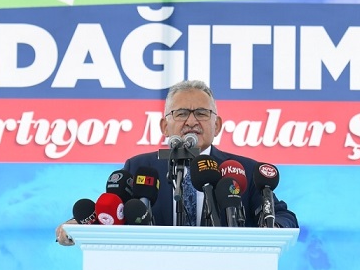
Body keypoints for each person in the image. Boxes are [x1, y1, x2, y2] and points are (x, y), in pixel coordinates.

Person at [56, 80, 296, 244]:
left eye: (201, 113)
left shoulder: (243, 170)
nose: (191, 121)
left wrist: (272, 231)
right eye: (181, 113)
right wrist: (81, 226)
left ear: (217, 125)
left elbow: (283, 217)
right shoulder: (139, 168)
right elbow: (111, 215)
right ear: (164, 126)